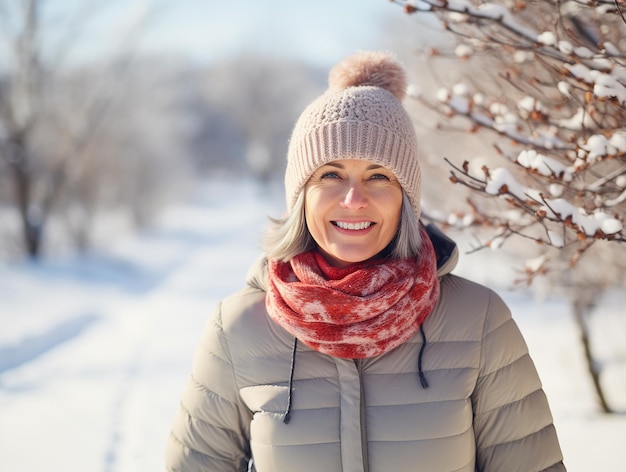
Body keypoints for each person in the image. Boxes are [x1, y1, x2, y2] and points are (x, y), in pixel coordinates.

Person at [165, 51, 566, 472]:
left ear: (405, 199)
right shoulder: (238, 328)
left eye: (379, 176)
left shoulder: (478, 320)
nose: (354, 200)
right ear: (301, 197)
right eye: (330, 175)